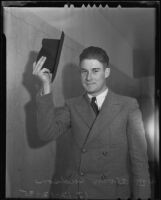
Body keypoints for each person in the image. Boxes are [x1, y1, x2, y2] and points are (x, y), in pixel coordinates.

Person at [33, 46, 151, 199]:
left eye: (95, 71)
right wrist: (46, 85)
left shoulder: (128, 106)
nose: (88, 78)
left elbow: (139, 162)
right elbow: (46, 133)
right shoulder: (72, 105)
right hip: (76, 192)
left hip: (112, 194)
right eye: (84, 71)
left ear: (106, 72)